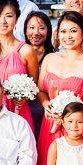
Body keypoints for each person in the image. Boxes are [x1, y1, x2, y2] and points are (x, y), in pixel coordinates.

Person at [35, 12, 83, 165]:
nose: (67, 36)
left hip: (75, 130)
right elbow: (41, 90)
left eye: (73, 31)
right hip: (50, 127)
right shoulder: (50, 59)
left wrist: (72, 118)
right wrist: (46, 104)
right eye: (63, 31)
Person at [0, 0, 39, 139]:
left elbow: (34, 86)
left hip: (18, 113)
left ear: (17, 19)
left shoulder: (26, 51)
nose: (3, 21)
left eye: (8, 16)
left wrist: (24, 98)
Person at [23, 10, 55, 139]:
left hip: (46, 112)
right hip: (23, 110)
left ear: (48, 33)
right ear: (25, 31)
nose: (36, 33)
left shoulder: (55, 57)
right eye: (31, 28)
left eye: (41, 28)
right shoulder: (19, 55)